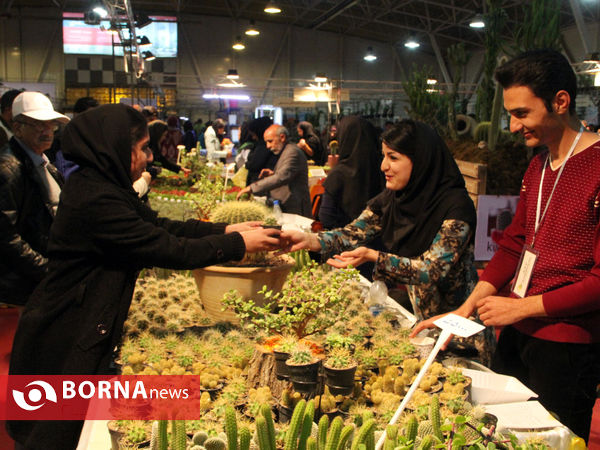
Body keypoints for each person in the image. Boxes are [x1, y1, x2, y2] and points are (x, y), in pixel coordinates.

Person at [6, 104, 282, 449]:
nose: (150, 157)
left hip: (82, 319)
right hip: (64, 330)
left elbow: (159, 225)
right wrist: (238, 243)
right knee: (53, 432)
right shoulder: (94, 198)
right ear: (114, 148)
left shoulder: (104, 185)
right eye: (143, 147)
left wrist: (226, 227)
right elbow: (165, 247)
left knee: (80, 422)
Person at [413, 49, 600, 442]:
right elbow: (515, 245)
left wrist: (521, 307)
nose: (513, 127)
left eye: (522, 113)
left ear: (560, 101)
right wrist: (461, 314)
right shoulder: (539, 165)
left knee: (551, 440)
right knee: (499, 435)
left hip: (566, 345)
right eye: (510, 114)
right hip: (516, 334)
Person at [282, 119, 495, 364]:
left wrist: (374, 257)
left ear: (421, 159)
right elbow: (352, 233)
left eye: (393, 157)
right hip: (424, 331)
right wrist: (308, 239)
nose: (384, 166)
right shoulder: (394, 199)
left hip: (461, 338)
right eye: (383, 156)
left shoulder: (456, 207)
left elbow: (431, 270)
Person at [0, 91, 69, 306]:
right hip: (21, 288)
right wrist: (46, 269)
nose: (47, 131)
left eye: (51, 125)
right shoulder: (8, 169)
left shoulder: (44, 164)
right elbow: (6, 236)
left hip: (38, 282)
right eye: (38, 124)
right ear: (17, 126)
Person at [319, 115, 384, 229]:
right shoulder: (383, 169)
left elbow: (326, 216)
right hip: (379, 239)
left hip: (345, 240)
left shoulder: (339, 173)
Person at [237, 124, 311, 217]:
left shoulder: (292, 152)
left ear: (282, 137)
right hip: (288, 205)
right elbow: (287, 174)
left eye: (270, 141)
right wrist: (273, 173)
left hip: (295, 209)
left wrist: (251, 188)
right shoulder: (287, 150)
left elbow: (282, 177)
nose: (268, 146)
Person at [244, 116, 277, 185]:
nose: (253, 137)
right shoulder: (261, 145)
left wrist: (247, 164)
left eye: (254, 134)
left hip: (261, 184)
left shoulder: (263, 146)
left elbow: (253, 165)